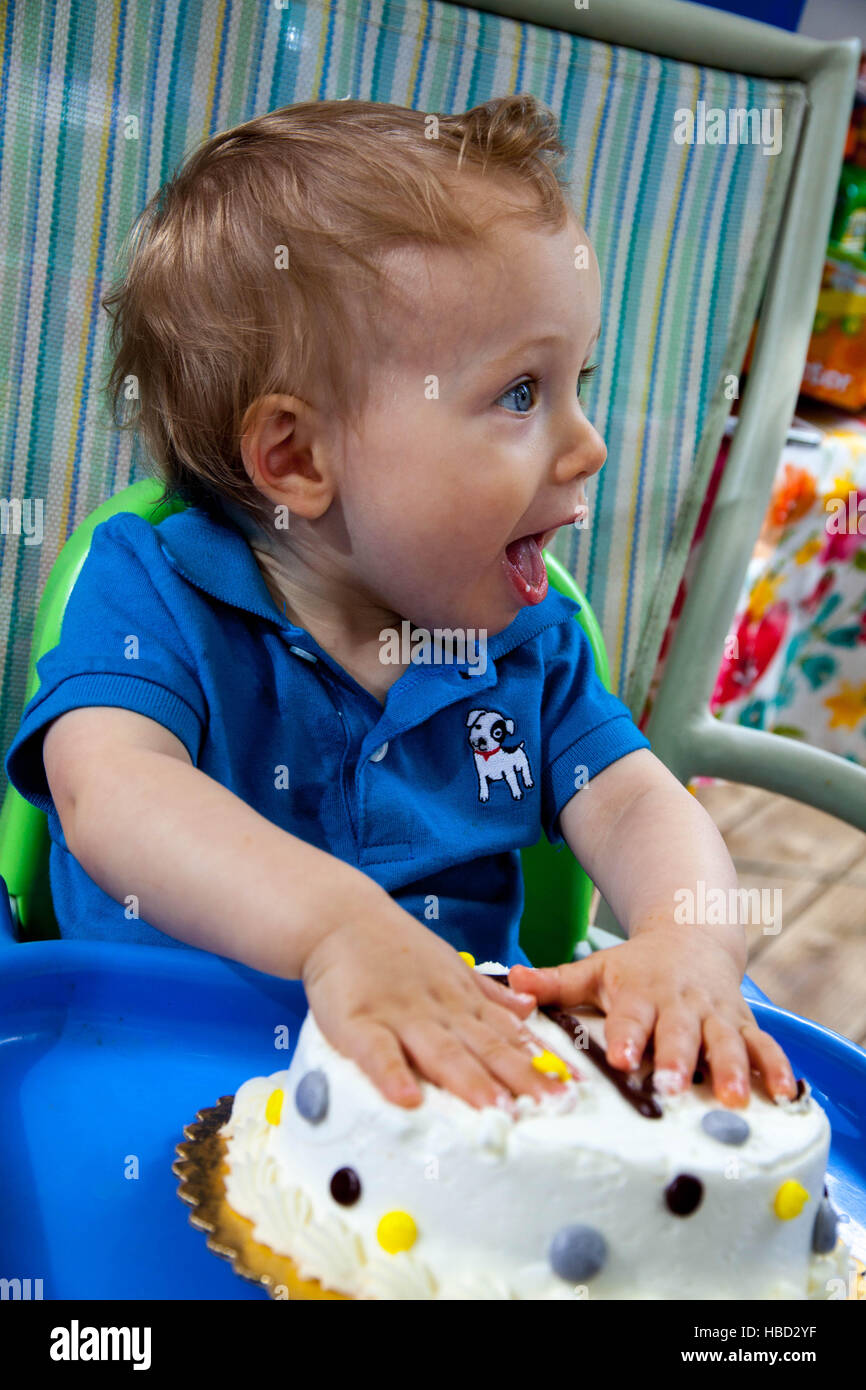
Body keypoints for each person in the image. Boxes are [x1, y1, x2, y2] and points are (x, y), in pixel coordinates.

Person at [5, 95, 797, 1117]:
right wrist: (337, 926)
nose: (588, 443)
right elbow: (109, 792)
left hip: (447, 1108)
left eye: (574, 383)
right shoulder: (154, 590)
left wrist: (685, 939)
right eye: (520, 393)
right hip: (141, 1070)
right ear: (295, 457)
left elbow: (643, 804)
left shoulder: (529, 646)